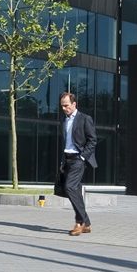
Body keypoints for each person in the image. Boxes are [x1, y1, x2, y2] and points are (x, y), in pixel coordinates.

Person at [55, 91, 98, 236]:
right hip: (66, 159)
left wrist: (82, 157)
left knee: (70, 187)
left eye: (66, 105)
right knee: (75, 192)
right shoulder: (64, 120)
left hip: (78, 160)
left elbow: (92, 140)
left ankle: (80, 223)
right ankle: (87, 223)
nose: (64, 108)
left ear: (74, 104)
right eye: (62, 106)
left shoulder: (85, 119)